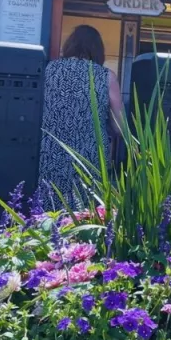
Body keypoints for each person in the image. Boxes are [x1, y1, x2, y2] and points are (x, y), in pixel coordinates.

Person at [39, 25, 126, 208]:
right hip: (89, 155)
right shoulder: (106, 76)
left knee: (49, 211)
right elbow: (120, 126)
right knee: (84, 212)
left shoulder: (49, 70)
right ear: (98, 49)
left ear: (70, 45)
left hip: (51, 150)